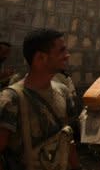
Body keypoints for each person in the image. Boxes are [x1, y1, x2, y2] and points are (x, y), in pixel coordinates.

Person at [0, 29, 80, 170]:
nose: (67, 56)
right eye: (61, 51)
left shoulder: (63, 92)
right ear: (40, 58)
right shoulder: (11, 99)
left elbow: (67, 140)